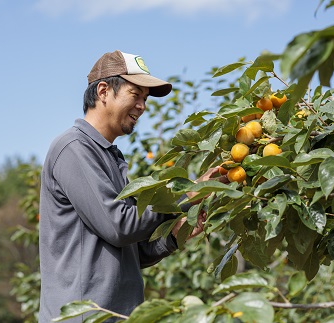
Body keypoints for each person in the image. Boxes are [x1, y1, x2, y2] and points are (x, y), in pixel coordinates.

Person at [38, 50, 220, 323]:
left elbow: (131, 252)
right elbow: (119, 226)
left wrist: (174, 235)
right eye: (135, 95)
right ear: (103, 91)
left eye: (145, 99)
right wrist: (188, 195)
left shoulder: (111, 156)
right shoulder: (74, 148)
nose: (142, 106)